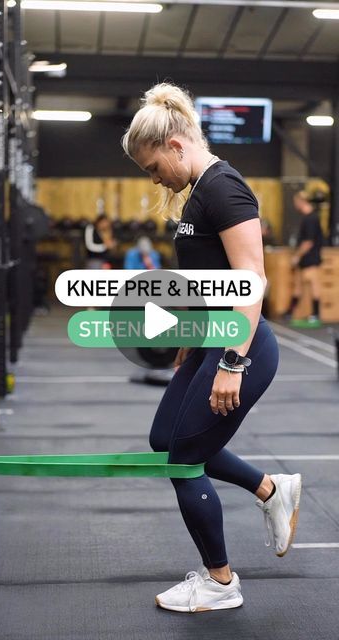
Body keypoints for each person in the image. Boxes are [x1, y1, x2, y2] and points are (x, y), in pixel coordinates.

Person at [121, 83, 302, 614]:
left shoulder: (224, 189)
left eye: (155, 167)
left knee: (184, 458)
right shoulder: (198, 192)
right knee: (165, 439)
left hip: (241, 348)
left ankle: (221, 582)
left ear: (176, 146)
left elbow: (251, 280)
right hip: (209, 341)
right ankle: (271, 489)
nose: (156, 178)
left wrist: (231, 363)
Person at [284, 190, 323, 327]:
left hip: (311, 258)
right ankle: (290, 313)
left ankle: (315, 315)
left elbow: (308, 242)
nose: (295, 204)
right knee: (298, 286)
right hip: (304, 259)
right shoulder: (306, 218)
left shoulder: (311, 218)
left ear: (301, 201)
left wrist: (296, 256)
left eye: (296, 202)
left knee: (314, 285)